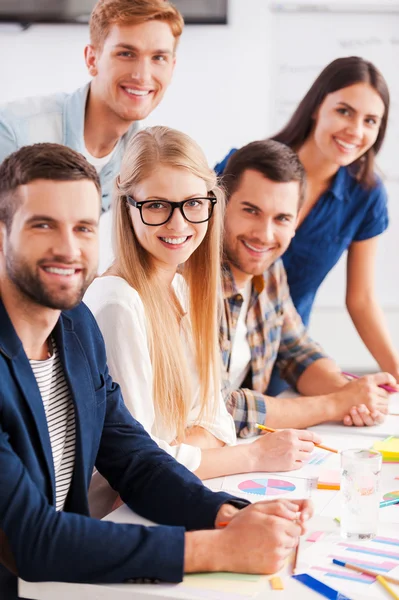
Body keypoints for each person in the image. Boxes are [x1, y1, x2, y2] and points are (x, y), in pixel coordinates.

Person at [0, 143, 313, 600]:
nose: (69, 248)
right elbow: (32, 540)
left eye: (84, 227)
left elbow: (135, 459)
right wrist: (216, 549)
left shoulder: (75, 327)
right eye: (42, 225)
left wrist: (226, 513)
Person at [84, 126, 321, 478]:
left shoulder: (180, 287)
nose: (178, 223)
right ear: (127, 206)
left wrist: (181, 447)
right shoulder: (118, 302)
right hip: (117, 514)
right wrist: (252, 456)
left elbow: (218, 421)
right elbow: (142, 463)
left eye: (194, 203)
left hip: (177, 491)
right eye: (157, 205)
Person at [216, 56, 399, 398]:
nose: (355, 131)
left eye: (370, 121)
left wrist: (394, 375)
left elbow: (362, 298)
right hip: (212, 339)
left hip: (283, 348)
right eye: (344, 111)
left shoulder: (366, 195)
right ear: (317, 107)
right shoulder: (249, 166)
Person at [220, 139, 397, 436]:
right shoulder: (190, 280)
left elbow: (297, 352)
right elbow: (218, 410)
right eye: (251, 211)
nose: (265, 235)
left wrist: (356, 394)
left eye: (282, 219)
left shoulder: (270, 268)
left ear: (295, 223)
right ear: (222, 204)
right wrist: (335, 404)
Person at [0, 0, 182, 212]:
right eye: (126, 54)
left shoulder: (141, 163)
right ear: (92, 59)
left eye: (159, 57)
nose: (142, 75)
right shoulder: (13, 132)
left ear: (172, 67)